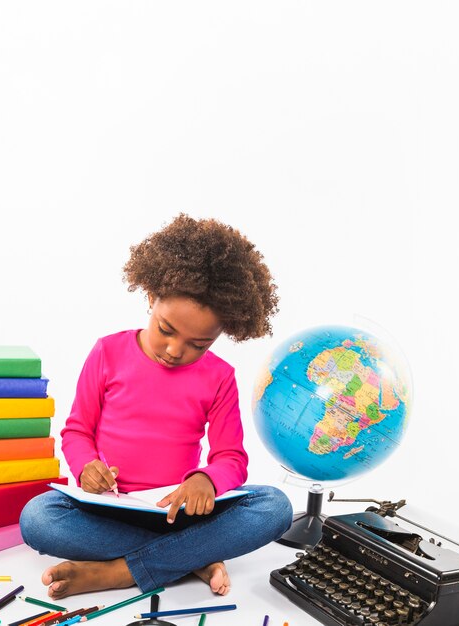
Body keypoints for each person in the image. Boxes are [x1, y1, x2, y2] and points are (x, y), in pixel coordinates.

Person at [20, 213, 293, 600]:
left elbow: (231, 457)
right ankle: (193, 556)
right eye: (166, 329)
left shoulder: (219, 377)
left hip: (182, 515)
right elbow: (77, 431)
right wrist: (85, 468)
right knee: (36, 518)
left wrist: (205, 481)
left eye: (198, 344)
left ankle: (119, 572)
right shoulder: (108, 352)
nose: (174, 351)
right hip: (109, 510)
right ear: (150, 297)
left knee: (275, 507)